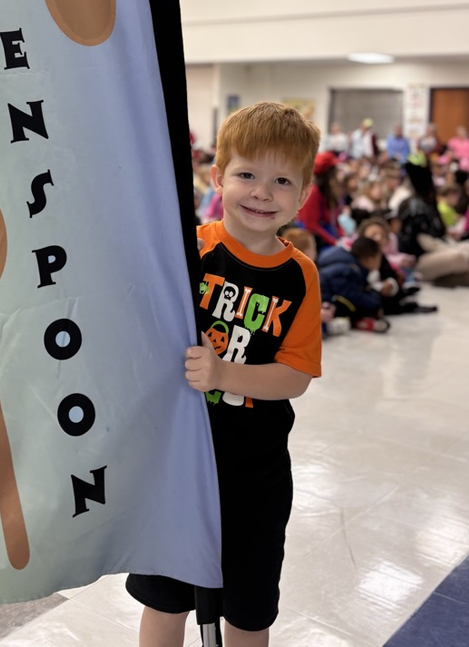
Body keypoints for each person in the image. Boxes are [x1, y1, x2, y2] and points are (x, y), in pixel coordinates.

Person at [126, 101, 322, 647]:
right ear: (217, 178)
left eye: (282, 180)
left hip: (253, 477)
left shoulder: (300, 276)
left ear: (302, 194)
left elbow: (295, 376)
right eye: (247, 174)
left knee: (248, 610)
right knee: (164, 600)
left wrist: (223, 373)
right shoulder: (187, 251)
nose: (263, 192)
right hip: (177, 466)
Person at [398, 163, 469, 285]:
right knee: (458, 257)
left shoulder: (428, 203)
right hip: (420, 260)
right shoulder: (414, 206)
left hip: (440, 249)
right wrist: (453, 248)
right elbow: (427, 244)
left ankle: (446, 279)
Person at [317, 236, 390, 332]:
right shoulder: (349, 270)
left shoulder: (345, 262)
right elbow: (352, 297)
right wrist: (375, 304)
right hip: (323, 303)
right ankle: (355, 322)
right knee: (355, 305)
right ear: (370, 260)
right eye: (379, 259)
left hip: (321, 299)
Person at [296, 151, 342, 249]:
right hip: (317, 245)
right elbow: (311, 225)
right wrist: (334, 242)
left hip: (329, 240)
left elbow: (334, 221)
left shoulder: (326, 191)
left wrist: (342, 237)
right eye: (334, 170)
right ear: (328, 172)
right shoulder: (313, 192)